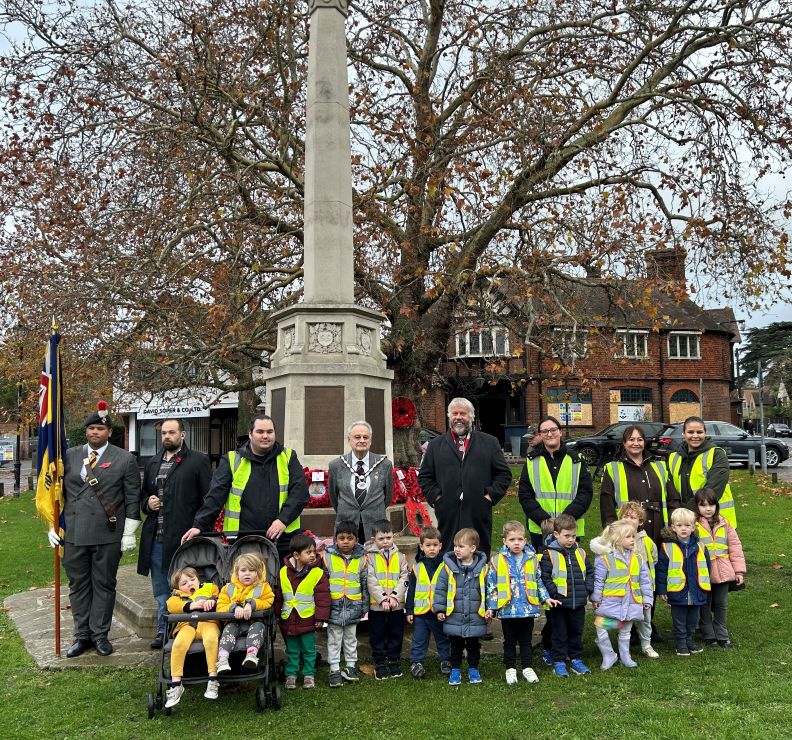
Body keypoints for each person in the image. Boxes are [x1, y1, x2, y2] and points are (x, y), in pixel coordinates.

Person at [48, 403, 141, 658]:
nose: (94, 433)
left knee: (104, 584)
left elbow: (133, 497)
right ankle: (82, 636)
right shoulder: (68, 456)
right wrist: (51, 525)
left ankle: (100, 635)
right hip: (75, 532)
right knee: (78, 585)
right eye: (91, 428)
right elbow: (55, 494)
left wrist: (129, 531)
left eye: (100, 428)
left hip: (107, 532)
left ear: (109, 432)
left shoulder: (125, 459)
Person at [182, 415, 309, 559]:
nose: (265, 436)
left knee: (283, 582)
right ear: (250, 434)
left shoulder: (288, 457)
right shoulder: (232, 460)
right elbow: (215, 497)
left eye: (269, 432)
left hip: (284, 539)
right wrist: (199, 525)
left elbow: (300, 493)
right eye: (260, 432)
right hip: (244, 540)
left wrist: (283, 520)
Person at [137, 418, 211, 649]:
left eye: (171, 432)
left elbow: (208, 500)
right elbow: (143, 498)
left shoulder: (198, 461)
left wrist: (199, 526)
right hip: (156, 538)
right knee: (161, 590)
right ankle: (163, 629)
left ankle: (187, 628)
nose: (167, 437)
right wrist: (148, 503)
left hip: (184, 539)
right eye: (164, 433)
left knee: (186, 586)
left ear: (183, 435)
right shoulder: (152, 463)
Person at [418, 398, 512, 555]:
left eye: (463, 413)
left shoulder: (489, 442)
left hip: (478, 511)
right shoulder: (435, 445)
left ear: (471, 417)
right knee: (448, 554)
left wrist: (489, 496)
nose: (458, 417)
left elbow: (504, 474)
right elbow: (425, 476)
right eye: (454, 413)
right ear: (449, 417)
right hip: (448, 511)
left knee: (478, 553)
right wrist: (437, 497)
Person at [485, 521, 556, 685]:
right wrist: (491, 607)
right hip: (508, 609)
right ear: (504, 541)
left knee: (526, 640)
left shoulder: (532, 559)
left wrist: (545, 598)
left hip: (527, 609)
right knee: (509, 640)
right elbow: (492, 586)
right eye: (512, 539)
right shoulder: (497, 561)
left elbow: (538, 581)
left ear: (525, 541)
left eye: (519, 539)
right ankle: (510, 668)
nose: (516, 543)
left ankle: (527, 666)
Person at [519, 415, 593, 552]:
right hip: (540, 529)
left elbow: (585, 493)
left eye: (553, 430)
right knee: (543, 569)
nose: (549, 434)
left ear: (560, 432)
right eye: (545, 431)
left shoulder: (576, 460)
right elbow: (525, 495)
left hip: (569, 530)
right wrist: (543, 520)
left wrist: (565, 520)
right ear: (540, 435)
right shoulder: (531, 460)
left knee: (570, 569)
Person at [600, 424, 681, 545]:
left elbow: (672, 499)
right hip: (628, 532)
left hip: (659, 529)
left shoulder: (660, 466)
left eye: (640, 439)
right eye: (631, 440)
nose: (636, 443)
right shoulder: (613, 468)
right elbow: (607, 507)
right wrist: (614, 532)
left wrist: (672, 524)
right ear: (624, 443)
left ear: (644, 442)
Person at [590, 520, 654, 670]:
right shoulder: (604, 558)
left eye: (633, 536)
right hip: (610, 602)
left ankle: (625, 655)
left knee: (625, 629)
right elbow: (599, 580)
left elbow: (645, 581)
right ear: (617, 540)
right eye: (628, 537)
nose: (633, 539)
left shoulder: (638, 558)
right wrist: (596, 597)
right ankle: (608, 654)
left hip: (632, 602)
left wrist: (647, 599)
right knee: (601, 626)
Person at [432, 528, 491, 686]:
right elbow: (440, 589)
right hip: (454, 615)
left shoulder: (483, 569)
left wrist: (490, 609)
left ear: (472, 548)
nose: (456, 549)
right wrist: (440, 609)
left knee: (473, 645)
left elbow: (490, 590)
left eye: (461, 546)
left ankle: (473, 668)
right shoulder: (447, 568)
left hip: (475, 616)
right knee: (455, 644)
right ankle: (455, 669)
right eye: (455, 546)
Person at [539, 514, 593, 677]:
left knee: (576, 631)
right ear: (556, 534)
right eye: (567, 536)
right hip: (559, 604)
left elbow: (590, 571)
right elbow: (545, 577)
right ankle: (559, 661)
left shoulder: (581, 553)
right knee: (559, 634)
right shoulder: (549, 554)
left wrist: (587, 588)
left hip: (578, 603)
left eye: (573, 536)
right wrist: (555, 593)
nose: (571, 540)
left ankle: (576, 659)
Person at [275, 534, 330, 689]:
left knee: (308, 649)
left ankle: (308, 674)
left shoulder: (317, 573)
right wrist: (277, 614)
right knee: (292, 649)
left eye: (314, 551)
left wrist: (320, 618)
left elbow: (323, 598)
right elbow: (279, 595)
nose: (313, 555)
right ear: (296, 555)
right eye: (308, 552)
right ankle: (291, 674)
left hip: (307, 618)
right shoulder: (283, 572)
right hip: (288, 618)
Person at [694, 488, 745, 648]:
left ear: (716, 505)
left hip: (724, 571)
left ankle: (722, 633)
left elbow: (735, 547)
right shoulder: (693, 525)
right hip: (703, 572)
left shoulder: (724, 523)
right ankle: (708, 633)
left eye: (711, 505)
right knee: (705, 603)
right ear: (697, 507)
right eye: (703, 505)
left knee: (721, 603)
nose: (708, 509)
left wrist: (738, 571)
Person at [656, 507, 711, 656]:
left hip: (696, 590)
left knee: (693, 619)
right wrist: (661, 590)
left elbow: (707, 566)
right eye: (679, 526)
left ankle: (689, 639)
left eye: (687, 525)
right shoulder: (668, 547)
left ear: (693, 527)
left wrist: (705, 584)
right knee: (679, 620)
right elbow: (661, 570)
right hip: (677, 590)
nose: (684, 529)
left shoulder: (700, 546)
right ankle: (680, 642)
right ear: (673, 527)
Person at [328, 421, 394, 543]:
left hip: (376, 528)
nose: (362, 440)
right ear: (349, 440)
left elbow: (388, 497)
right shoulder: (336, 465)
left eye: (365, 437)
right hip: (347, 527)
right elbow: (333, 496)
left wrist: (372, 509)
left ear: (371, 440)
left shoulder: (385, 465)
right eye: (357, 437)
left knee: (375, 561)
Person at [164, 566, 220, 708]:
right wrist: (192, 605)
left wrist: (212, 601)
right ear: (177, 588)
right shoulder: (176, 597)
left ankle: (213, 678)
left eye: (192, 579)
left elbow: (219, 596)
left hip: (207, 622)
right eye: (184, 583)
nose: (189, 584)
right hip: (186, 625)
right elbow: (172, 606)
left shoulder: (209, 587)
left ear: (198, 579)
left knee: (211, 639)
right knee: (179, 644)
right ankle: (176, 684)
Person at [666, 416, 736, 527]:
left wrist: (686, 512)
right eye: (690, 432)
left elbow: (714, 488)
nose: (695, 436)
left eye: (699, 432)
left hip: (716, 520)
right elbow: (671, 491)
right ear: (683, 434)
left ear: (705, 433)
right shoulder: (673, 457)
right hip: (686, 523)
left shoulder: (717, 454)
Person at [322, 520, 369, 687]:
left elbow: (365, 585)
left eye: (350, 538)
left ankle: (350, 666)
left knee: (350, 638)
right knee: (334, 638)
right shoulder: (327, 558)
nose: (346, 541)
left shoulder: (362, 559)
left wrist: (365, 606)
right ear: (335, 540)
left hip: (353, 605)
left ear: (356, 540)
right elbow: (322, 584)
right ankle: (334, 669)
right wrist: (323, 607)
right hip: (333, 606)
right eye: (341, 538)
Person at [365, 519, 409, 680]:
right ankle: (380, 662)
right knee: (377, 634)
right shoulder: (369, 557)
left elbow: (404, 577)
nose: (385, 541)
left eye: (389, 537)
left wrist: (395, 597)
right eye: (381, 539)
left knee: (395, 633)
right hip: (377, 606)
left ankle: (393, 660)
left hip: (396, 606)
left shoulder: (401, 557)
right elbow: (371, 580)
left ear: (393, 536)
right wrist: (382, 598)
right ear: (374, 540)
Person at [216, 552, 275, 673]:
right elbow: (220, 607)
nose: (247, 573)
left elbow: (268, 602)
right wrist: (234, 607)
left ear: (258, 572)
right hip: (234, 622)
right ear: (236, 573)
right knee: (228, 631)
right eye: (243, 570)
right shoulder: (228, 588)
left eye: (252, 570)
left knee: (258, 628)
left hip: (255, 621)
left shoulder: (263, 587)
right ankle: (222, 659)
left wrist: (252, 604)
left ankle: (252, 655)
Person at [406, 525, 451, 679]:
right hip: (421, 613)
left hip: (439, 613)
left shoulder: (446, 566)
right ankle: (416, 662)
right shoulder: (417, 567)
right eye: (428, 545)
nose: (432, 549)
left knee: (443, 639)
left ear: (440, 546)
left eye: (435, 545)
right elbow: (411, 589)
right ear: (421, 547)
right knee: (419, 640)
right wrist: (410, 610)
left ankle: (446, 660)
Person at [618, 502, 659, 658]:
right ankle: (623, 647)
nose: (628, 520)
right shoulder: (614, 540)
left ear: (640, 522)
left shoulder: (647, 541)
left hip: (643, 588)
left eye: (633, 517)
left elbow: (653, 560)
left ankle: (646, 644)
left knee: (645, 619)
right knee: (624, 619)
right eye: (625, 516)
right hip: (622, 588)